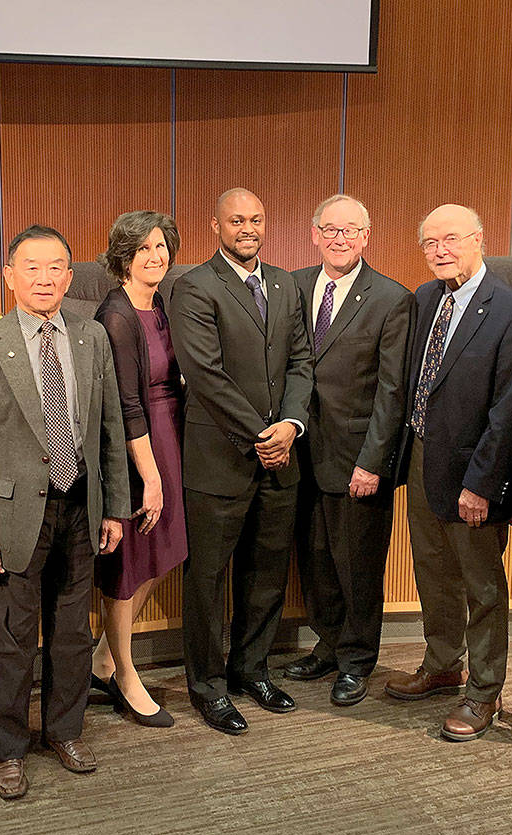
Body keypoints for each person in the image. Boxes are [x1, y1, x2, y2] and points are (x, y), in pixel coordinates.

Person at [0, 224, 131, 801]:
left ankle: (65, 731)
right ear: (9, 276)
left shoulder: (91, 336)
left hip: (81, 506)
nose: (45, 278)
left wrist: (114, 509)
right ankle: (7, 748)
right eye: (32, 267)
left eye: (56, 267)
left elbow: (110, 427)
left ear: (70, 276)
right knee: (10, 639)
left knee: (73, 633)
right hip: (11, 520)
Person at [385, 204, 512, 742]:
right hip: (423, 458)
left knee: (481, 584)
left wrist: (482, 484)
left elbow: (509, 410)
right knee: (432, 570)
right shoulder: (426, 298)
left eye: (450, 239)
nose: (440, 251)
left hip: (474, 471)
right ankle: (443, 662)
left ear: (479, 239)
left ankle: (484, 691)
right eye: (429, 243)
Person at [169, 188, 314, 735]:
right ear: (216, 225)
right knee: (207, 579)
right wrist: (260, 433)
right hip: (220, 458)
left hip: (282, 456)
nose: (247, 227)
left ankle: (251, 669)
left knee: (267, 572)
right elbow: (204, 374)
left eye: (256, 218)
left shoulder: (283, 283)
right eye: (236, 219)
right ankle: (207, 687)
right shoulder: (195, 287)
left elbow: (302, 360)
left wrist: (291, 426)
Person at [286, 195, 413, 706]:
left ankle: (357, 660)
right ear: (314, 234)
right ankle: (329, 642)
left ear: (367, 237)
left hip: (357, 457)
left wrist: (373, 461)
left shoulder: (390, 298)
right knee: (315, 559)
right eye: (330, 229)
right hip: (300, 453)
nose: (340, 239)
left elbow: (392, 391)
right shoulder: (291, 287)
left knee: (357, 565)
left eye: (351, 230)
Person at [90, 210, 188, 728]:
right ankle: (124, 674)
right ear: (122, 257)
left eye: (161, 246)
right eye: (143, 248)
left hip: (169, 436)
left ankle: (104, 655)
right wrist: (149, 479)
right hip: (137, 450)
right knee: (127, 568)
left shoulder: (159, 305)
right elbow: (127, 406)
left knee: (163, 552)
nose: (156, 256)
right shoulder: (118, 316)